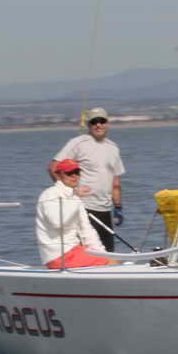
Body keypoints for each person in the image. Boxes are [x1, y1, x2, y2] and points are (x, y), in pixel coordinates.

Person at [49, 107, 125, 251]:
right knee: (87, 252)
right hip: (83, 208)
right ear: (88, 125)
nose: (98, 125)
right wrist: (69, 192)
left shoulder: (113, 148)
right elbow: (53, 168)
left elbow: (116, 183)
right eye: (94, 122)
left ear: (107, 123)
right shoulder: (77, 143)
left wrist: (118, 208)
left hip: (106, 210)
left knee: (108, 252)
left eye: (102, 121)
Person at [36, 159, 118, 268]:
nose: (74, 176)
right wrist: (76, 198)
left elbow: (86, 230)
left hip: (73, 250)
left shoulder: (75, 197)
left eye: (77, 172)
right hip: (58, 255)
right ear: (59, 175)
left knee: (111, 259)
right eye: (69, 173)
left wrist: (102, 252)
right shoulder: (50, 194)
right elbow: (57, 223)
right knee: (111, 262)